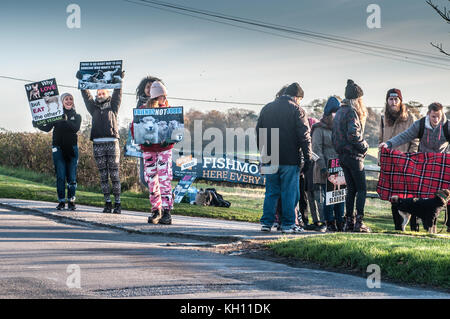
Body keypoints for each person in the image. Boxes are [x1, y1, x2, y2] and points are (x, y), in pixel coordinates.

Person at [379, 102, 450, 232]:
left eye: (438, 116)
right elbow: (405, 136)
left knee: (448, 194)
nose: (436, 119)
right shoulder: (421, 124)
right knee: (418, 194)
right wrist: (389, 144)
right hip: (425, 165)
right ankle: (416, 226)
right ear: (428, 114)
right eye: (433, 116)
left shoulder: (447, 126)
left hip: (441, 166)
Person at [256, 82, 312, 233]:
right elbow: (305, 136)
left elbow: (259, 133)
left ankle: (266, 223)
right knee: (289, 192)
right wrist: (308, 158)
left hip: (270, 157)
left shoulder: (267, 108)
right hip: (289, 158)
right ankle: (288, 224)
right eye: (300, 99)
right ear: (297, 97)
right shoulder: (297, 110)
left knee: (271, 192)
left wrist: (263, 154)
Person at [78, 71, 124, 214]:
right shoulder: (93, 108)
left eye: (103, 92)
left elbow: (118, 92)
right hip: (98, 142)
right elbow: (86, 96)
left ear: (107, 93)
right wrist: (82, 81)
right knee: (103, 175)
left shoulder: (113, 106)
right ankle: (107, 203)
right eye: (98, 93)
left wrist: (119, 80)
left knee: (114, 175)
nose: (100, 94)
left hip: (112, 142)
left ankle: (117, 203)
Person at [131, 81, 175, 225]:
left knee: (164, 179)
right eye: (162, 96)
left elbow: (175, 129)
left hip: (164, 150)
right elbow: (134, 128)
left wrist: (169, 141)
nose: (164, 98)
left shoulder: (169, 110)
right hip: (148, 150)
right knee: (151, 180)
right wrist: (142, 139)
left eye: (165, 95)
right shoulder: (143, 109)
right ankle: (156, 210)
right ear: (157, 97)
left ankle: (167, 211)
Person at [332, 79, 371, 232]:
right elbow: (353, 134)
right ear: (357, 99)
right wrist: (364, 146)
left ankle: (349, 222)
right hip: (354, 156)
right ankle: (359, 223)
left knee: (351, 190)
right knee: (361, 189)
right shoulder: (351, 112)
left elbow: (334, 136)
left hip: (342, 156)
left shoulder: (340, 112)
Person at [378, 88, 419, 231]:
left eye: (396, 99)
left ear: (401, 101)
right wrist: (380, 158)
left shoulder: (410, 118)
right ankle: (397, 228)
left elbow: (415, 140)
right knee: (393, 197)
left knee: (411, 196)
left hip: (406, 162)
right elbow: (381, 138)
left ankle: (414, 228)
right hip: (390, 164)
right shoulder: (384, 118)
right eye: (391, 99)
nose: (393, 102)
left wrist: (411, 157)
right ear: (387, 101)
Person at [36, 93, 81, 210]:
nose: (69, 101)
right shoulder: (56, 115)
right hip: (58, 149)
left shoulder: (77, 116)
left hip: (72, 149)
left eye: (71, 99)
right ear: (62, 101)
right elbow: (47, 128)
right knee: (60, 176)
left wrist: (65, 120)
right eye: (66, 99)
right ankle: (61, 201)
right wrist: (37, 123)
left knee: (72, 177)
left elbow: (75, 128)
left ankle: (71, 201)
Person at [312, 96, 345, 232]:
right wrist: (323, 167)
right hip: (325, 167)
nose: (336, 116)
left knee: (340, 197)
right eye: (334, 113)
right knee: (329, 198)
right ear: (328, 113)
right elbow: (316, 149)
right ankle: (329, 222)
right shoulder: (319, 129)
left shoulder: (340, 128)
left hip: (339, 168)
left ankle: (340, 222)